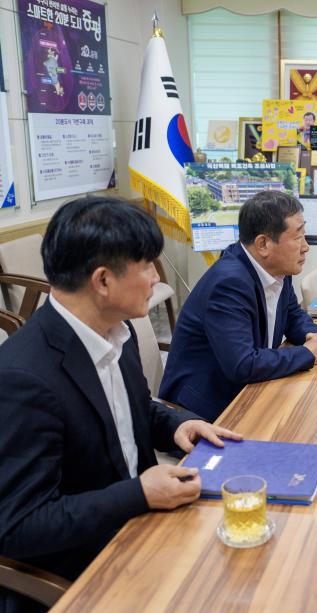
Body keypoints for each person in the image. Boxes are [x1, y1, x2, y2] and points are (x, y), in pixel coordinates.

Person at [0, 197, 240, 612]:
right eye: (146, 266)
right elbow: (20, 525)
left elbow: (132, 409)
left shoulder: (114, 331)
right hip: (86, 569)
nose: (155, 279)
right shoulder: (24, 378)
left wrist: (176, 425)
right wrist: (138, 494)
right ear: (103, 281)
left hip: (143, 527)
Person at [160, 191, 317, 422]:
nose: (306, 247)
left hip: (249, 390)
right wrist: (308, 353)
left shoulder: (277, 269)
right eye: (297, 237)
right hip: (204, 412)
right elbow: (242, 364)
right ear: (263, 244)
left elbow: (293, 316)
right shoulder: (229, 283)